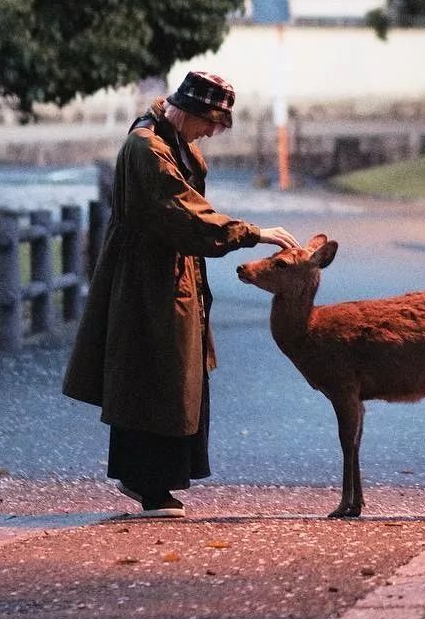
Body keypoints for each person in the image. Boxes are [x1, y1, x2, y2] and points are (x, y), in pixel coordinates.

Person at [62, 70, 298, 517]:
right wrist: (251, 233)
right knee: (156, 372)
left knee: (171, 372)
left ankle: (153, 479)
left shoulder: (172, 141)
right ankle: (150, 483)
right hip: (147, 277)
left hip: (169, 270)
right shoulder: (148, 148)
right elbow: (181, 212)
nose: (211, 133)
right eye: (209, 123)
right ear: (188, 111)